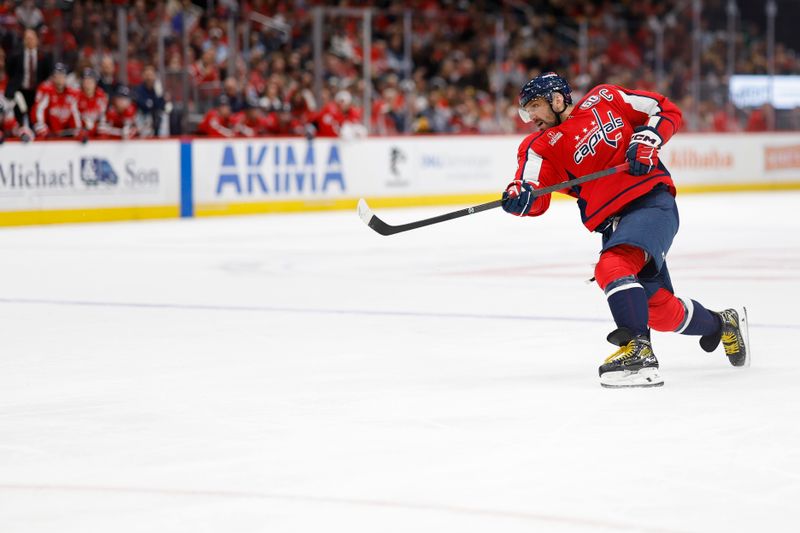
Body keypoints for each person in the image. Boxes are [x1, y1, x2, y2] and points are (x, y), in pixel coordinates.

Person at [501, 72, 750, 388]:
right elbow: (532, 189)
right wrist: (520, 196)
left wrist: (647, 138)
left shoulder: (604, 98)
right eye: (526, 110)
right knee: (659, 311)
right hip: (615, 225)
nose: (530, 117)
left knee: (612, 266)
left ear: (558, 98)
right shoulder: (538, 146)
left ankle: (637, 351)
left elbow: (664, 109)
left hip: (651, 203)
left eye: (534, 106)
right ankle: (723, 322)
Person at [5, 28, 53, 124]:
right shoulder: (16, 56)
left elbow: (47, 73)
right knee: (19, 114)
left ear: (37, 40)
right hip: (20, 90)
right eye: (27, 38)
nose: (29, 41)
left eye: (31, 38)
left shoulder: (44, 56)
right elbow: (10, 71)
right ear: (24, 41)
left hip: (37, 91)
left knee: (35, 115)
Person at [32, 63, 81, 138]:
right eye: (57, 75)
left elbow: (75, 114)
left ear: (66, 77)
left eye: (62, 75)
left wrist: (77, 131)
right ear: (53, 77)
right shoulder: (46, 91)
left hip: (65, 134)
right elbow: (38, 112)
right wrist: (44, 131)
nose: (60, 78)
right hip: (48, 135)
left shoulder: (71, 94)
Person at [76, 69, 108, 139]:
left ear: (95, 83)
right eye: (85, 80)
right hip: (82, 132)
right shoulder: (77, 96)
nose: (88, 83)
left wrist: (99, 128)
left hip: (97, 131)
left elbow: (103, 116)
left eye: (90, 81)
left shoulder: (101, 96)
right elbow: (74, 116)